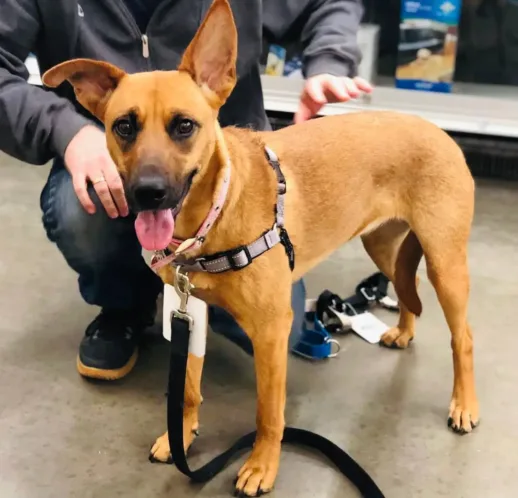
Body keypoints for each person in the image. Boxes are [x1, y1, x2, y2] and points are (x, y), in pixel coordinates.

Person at [0, 0, 372, 380]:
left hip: (235, 173)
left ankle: (210, 285)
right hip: (102, 154)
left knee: (276, 330)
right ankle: (123, 304)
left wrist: (329, 59)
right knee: (80, 209)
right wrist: (66, 130)